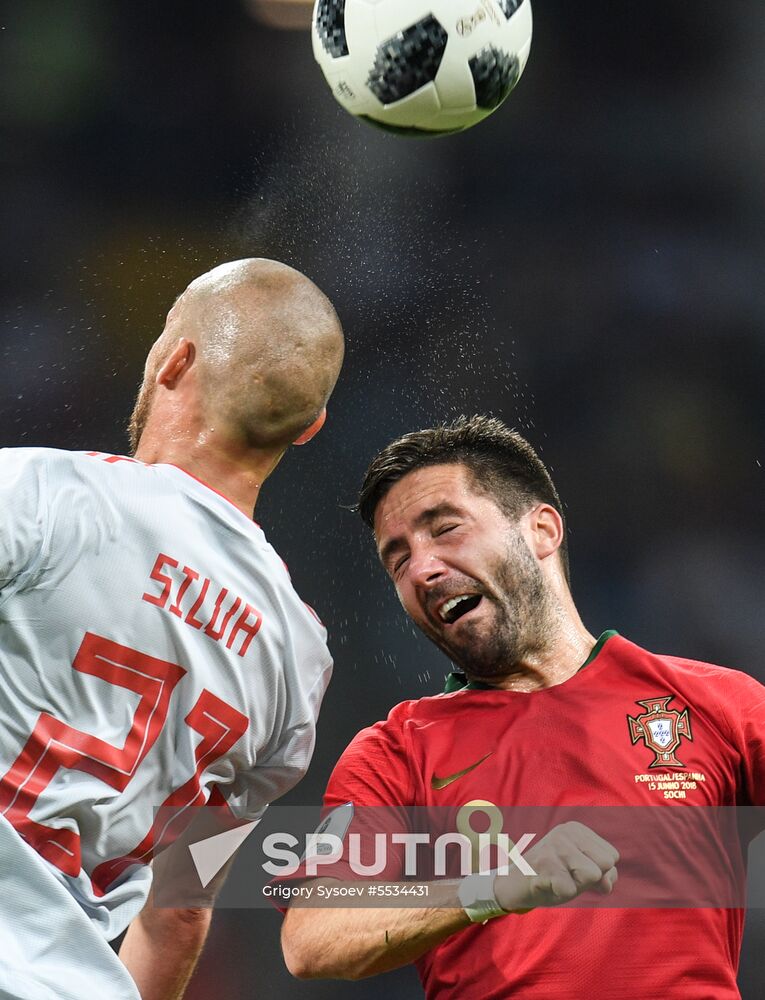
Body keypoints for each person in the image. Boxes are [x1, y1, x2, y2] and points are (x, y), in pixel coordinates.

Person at [280, 415, 765, 999]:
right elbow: (313, 937)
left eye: (446, 529)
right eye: (398, 559)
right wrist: (492, 886)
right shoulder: (398, 753)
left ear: (541, 530)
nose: (423, 569)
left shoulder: (719, 705)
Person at [0, 258, 344, 1000]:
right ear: (310, 427)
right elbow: (181, 908)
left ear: (174, 358)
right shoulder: (296, 663)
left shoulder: (39, 496)